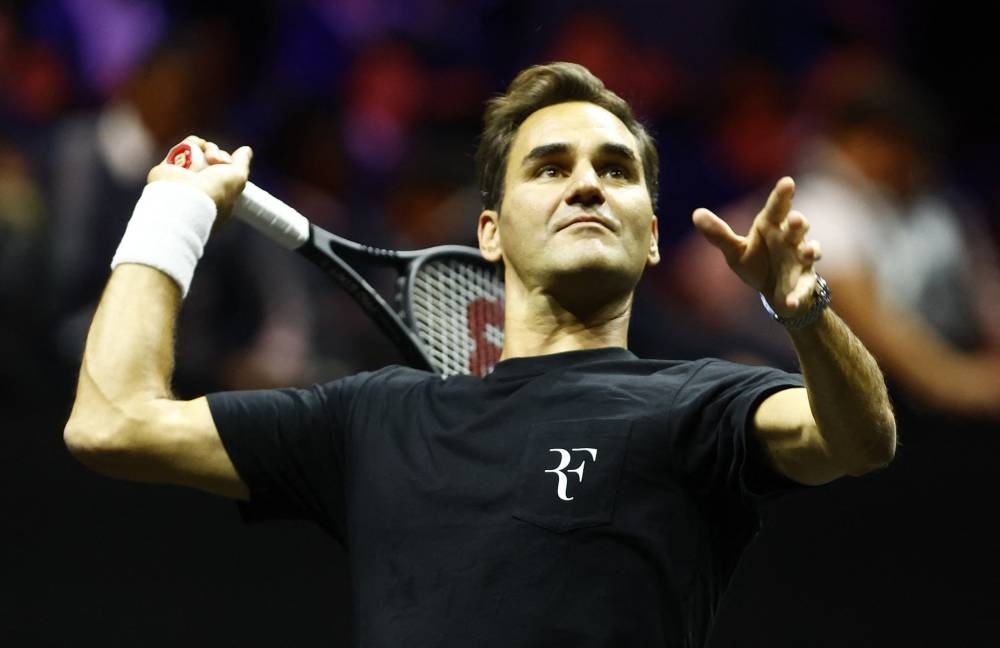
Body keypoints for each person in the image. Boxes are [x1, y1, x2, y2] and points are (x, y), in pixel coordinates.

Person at [63, 62, 895, 647]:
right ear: (489, 232)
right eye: (549, 167)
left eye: (615, 169)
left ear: (650, 239)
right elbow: (113, 424)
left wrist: (808, 313)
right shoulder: (373, 417)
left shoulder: (698, 404)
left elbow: (859, 439)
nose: (586, 184)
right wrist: (167, 218)